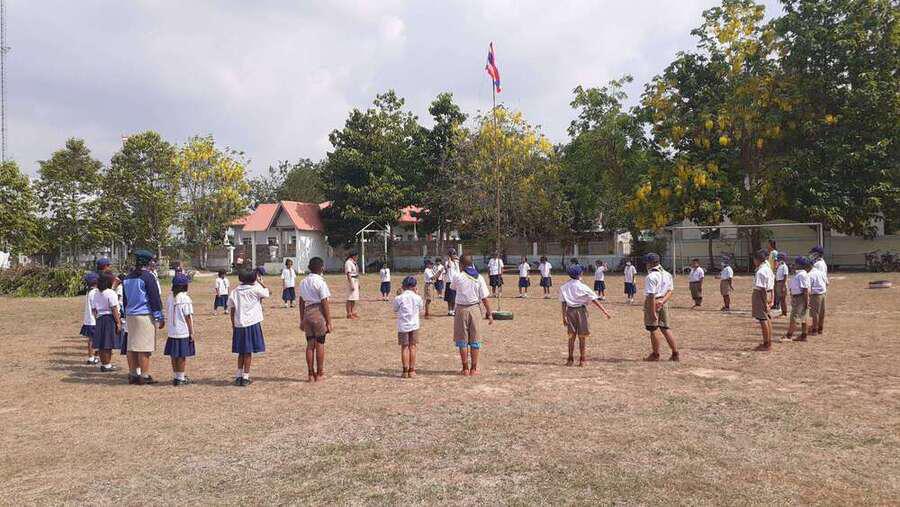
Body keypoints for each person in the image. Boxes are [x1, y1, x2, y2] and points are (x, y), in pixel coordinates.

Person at [122, 250, 165, 385]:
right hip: (144, 314)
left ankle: (133, 374)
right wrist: (159, 316)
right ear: (147, 262)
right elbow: (154, 298)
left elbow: (125, 299)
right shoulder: (148, 277)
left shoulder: (127, 278)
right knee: (144, 347)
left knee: (132, 346)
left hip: (130, 314)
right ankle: (145, 375)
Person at [559, 265, 612, 366]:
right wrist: (604, 311)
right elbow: (594, 300)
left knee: (571, 336)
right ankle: (582, 360)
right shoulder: (583, 287)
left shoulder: (564, 287)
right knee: (582, 336)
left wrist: (564, 316)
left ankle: (570, 359)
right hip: (581, 312)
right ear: (580, 274)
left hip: (570, 311)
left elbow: (563, 303)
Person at [451, 255, 493, 375]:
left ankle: (465, 368)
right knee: (475, 340)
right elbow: (484, 298)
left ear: (461, 265)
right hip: (474, 309)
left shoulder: (458, 276)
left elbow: (453, 288)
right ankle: (473, 369)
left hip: (461, 309)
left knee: (462, 341)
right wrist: (489, 313)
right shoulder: (479, 277)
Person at [228, 269, 270, 386]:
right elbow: (267, 292)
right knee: (248, 352)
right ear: (253, 279)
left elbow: (232, 309)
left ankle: (238, 375)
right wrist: (260, 282)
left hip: (239, 324)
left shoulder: (235, 291)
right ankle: (245, 377)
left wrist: (233, 324)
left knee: (241, 352)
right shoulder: (255, 289)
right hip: (251, 323)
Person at [298, 257, 332, 382]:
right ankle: (320, 373)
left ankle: (310, 374)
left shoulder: (303, 282)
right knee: (320, 343)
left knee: (310, 345)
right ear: (321, 268)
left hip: (307, 313)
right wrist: (329, 321)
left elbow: (301, 302)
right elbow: (324, 302)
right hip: (318, 313)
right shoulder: (320, 282)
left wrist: (302, 319)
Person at [642, 253, 678, 361]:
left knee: (653, 329)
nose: (646, 265)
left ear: (651, 263)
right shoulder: (667, 274)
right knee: (665, 328)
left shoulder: (651, 276)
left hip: (653, 302)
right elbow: (670, 291)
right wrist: (662, 301)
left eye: (647, 263)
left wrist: (653, 312)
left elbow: (651, 295)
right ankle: (675, 353)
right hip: (663, 301)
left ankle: (655, 354)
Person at [165, 273, 195, 386]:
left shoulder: (170, 297)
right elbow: (188, 317)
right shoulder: (185, 298)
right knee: (182, 355)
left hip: (172, 330)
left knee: (174, 354)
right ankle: (181, 378)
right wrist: (191, 331)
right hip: (182, 331)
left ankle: (176, 376)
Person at [393, 276, 424, 378]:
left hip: (403, 325)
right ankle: (412, 370)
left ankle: (405, 371)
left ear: (403, 286)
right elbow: (421, 309)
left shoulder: (399, 298)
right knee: (413, 347)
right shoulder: (418, 298)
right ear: (414, 286)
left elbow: (395, 309)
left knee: (404, 347)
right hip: (414, 325)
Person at [91, 272, 123, 372]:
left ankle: (104, 363)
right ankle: (107, 364)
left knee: (101, 343)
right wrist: (118, 322)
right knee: (107, 343)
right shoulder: (110, 293)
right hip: (109, 318)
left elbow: (94, 309)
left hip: (100, 318)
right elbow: (114, 308)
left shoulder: (96, 293)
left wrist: (97, 318)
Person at [783, 256, 812, 342]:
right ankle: (803, 335)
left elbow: (805, 290)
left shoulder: (802, 274)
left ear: (800, 265)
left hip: (800, 298)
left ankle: (789, 336)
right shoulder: (799, 274)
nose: (794, 265)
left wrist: (806, 302)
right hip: (798, 297)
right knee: (803, 317)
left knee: (794, 317)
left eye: (796, 263)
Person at [752, 249, 775, 351]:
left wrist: (765, 302)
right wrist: (772, 298)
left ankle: (766, 344)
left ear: (757, 259)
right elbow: (771, 286)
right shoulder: (768, 268)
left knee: (763, 319)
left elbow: (762, 289)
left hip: (761, 295)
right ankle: (768, 341)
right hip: (768, 293)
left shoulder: (761, 271)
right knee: (767, 318)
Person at [809, 246, 829, 334]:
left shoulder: (818, 264)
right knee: (820, 311)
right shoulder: (821, 262)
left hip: (817, 289)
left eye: (813, 253)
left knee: (816, 311)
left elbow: (818, 277)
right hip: (822, 288)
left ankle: (815, 328)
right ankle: (819, 327)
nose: (811, 255)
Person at [81, 273, 99, 365]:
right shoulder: (94, 292)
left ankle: (93, 356)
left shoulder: (89, 292)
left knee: (91, 339)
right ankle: (92, 357)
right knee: (92, 339)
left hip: (89, 320)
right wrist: (98, 318)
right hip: (93, 320)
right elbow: (94, 308)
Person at [444, 249, 460, 316]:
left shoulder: (457, 262)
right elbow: (448, 266)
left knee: (455, 297)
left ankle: (453, 310)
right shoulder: (447, 262)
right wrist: (449, 259)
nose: (454, 255)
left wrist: (457, 258)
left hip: (456, 281)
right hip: (450, 281)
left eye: (454, 253)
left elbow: (462, 263)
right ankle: (450, 310)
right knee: (450, 297)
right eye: (453, 254)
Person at [344, 253, 360, 319]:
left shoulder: (354, 263)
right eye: (356, 256)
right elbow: (348, 274)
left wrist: (358, 283)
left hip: (355, 280)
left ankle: (352, 312)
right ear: (353, 256)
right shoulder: (348, 262)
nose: (357, 258)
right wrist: (351, 284)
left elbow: (357, 273)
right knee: (350, 298)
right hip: (351, 280)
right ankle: (349, 313)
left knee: (354, 297)